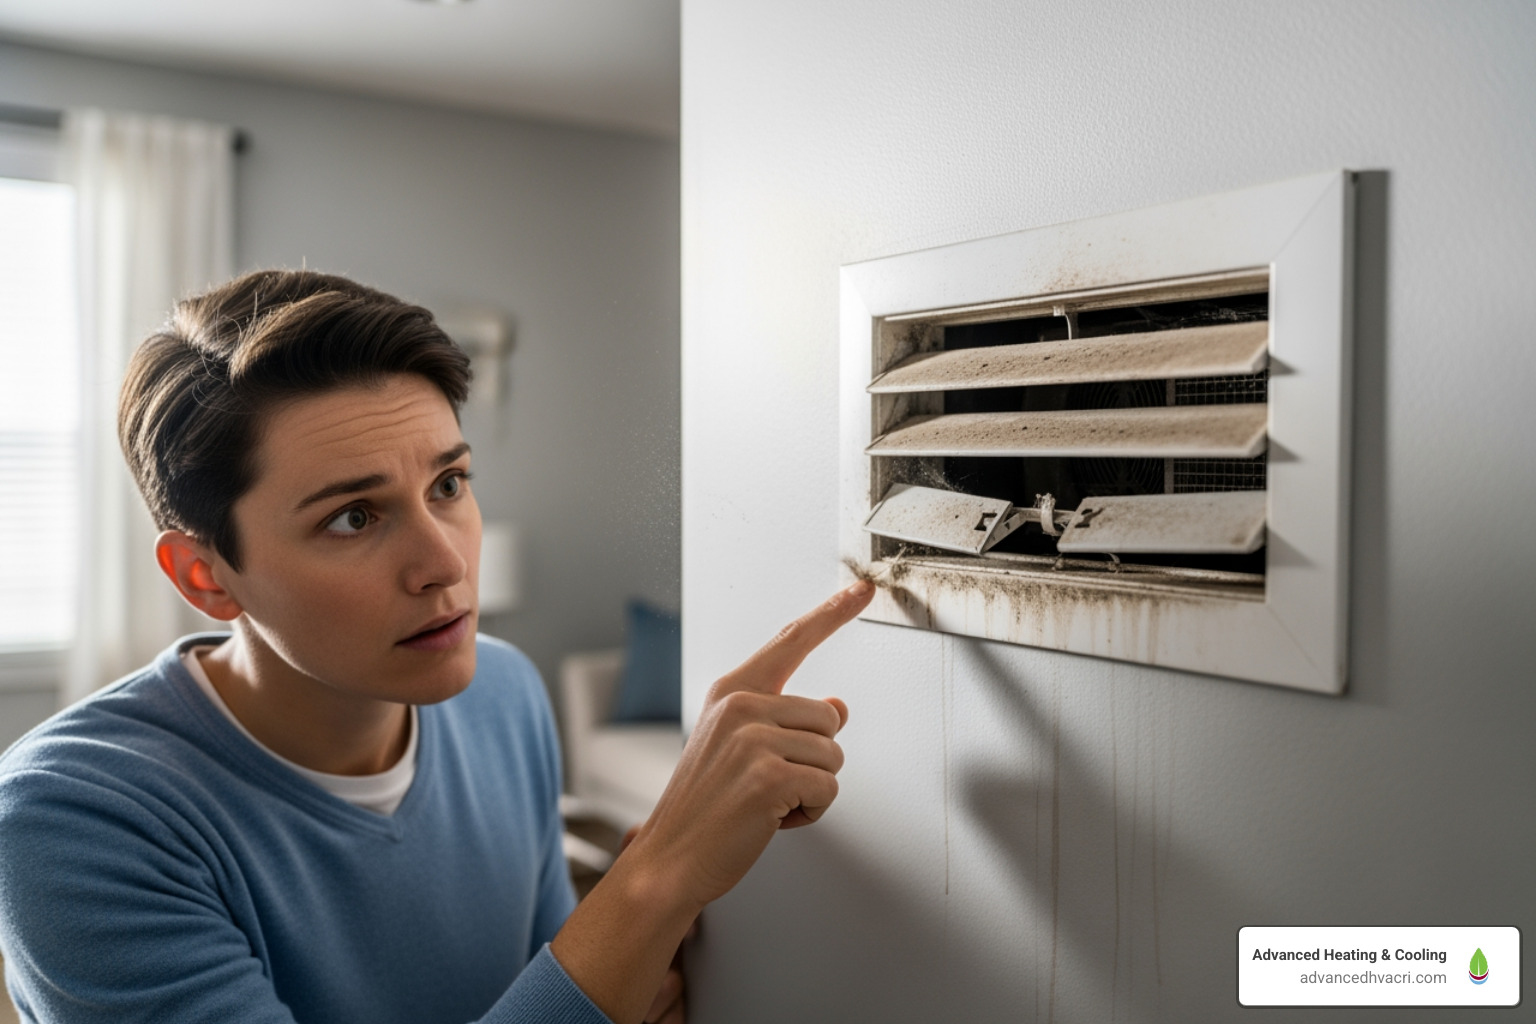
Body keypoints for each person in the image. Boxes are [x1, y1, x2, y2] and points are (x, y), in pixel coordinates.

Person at [0, 270, 875, 1024]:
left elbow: (540, 978)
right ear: (205, 576)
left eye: (449, 483)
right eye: (353, 517)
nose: (446, 561)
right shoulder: (67, 820)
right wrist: (652, 881)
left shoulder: (504, 692)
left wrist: (635, 946)